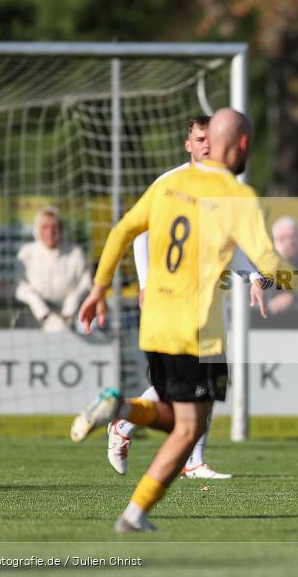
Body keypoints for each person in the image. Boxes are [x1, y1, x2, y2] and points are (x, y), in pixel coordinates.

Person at [71, 108, 290, 533]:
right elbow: (268, 259)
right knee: (191, 423)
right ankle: (126, 438)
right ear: (243, 144)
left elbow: (122, 231)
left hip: (158, 320)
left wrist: (99, 289)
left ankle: (126, 435)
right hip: (196, 324)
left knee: (181, 420)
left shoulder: (169, 186)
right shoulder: (232, 194)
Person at [106, 115, 267, 481]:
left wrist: (254, 275)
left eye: (210, 138)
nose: (205, 145)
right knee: (179, 388)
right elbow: (138, 234)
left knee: (197, 387)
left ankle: (183, 455)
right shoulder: (172, 183)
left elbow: (228, 239)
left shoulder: (219, 185)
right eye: (198, 139)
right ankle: (125, 423)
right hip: (172, 301)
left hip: (205, 299)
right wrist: (145, 283)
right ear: (188, 144)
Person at [14, 206, 92, 331]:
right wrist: (38, 306)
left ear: (61, 228)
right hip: (31, 323)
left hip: (68, 323)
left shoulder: (75, 253)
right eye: (45, 227)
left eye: (54, 227)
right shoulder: (27, 253)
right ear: (37, 229)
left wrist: (73, 301)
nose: (50, 232)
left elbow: (86, 283)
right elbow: (19, 286)